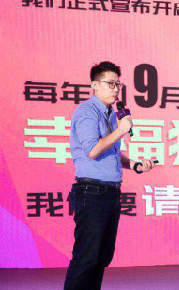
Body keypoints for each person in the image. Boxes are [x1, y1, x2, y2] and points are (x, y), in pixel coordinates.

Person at [64, 61, 156, 290]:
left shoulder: (111, 115)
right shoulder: (86, 111)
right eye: (110, 84)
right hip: (91, 191)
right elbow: (93, 150)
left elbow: (111, 152)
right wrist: (121, 130)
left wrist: (135, 165)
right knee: (86, 257)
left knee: (102, 256)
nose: (116, 89)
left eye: (118, 85)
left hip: (110, 192)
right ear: (95, 85)